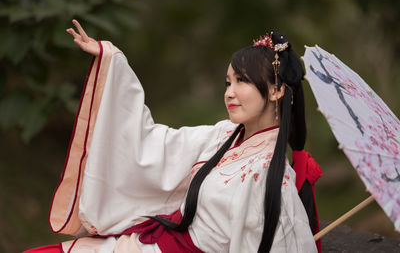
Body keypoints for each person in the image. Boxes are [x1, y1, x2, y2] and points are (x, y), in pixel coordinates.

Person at [25, 20, 322, 253]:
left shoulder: (269, 174)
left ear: (276, 90)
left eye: (242, 81)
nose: (229, 93)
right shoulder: (226, 136)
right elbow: (157, 146)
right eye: (228, 82)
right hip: (157, 243)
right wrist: (112, 62)